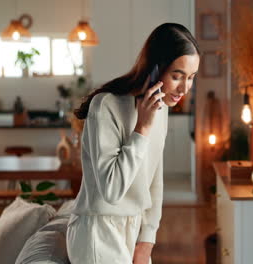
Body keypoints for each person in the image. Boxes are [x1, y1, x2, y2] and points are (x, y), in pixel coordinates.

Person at [66, 23, 200, 264]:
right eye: (177, 76)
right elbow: (111, 190)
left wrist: (147, 240)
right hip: (98, 233)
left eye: (191, 78)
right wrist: (142, 129)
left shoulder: (162, 109)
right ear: (155, 68)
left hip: (135, 231)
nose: (184, 88)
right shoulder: (106, 105)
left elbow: (155, 181)